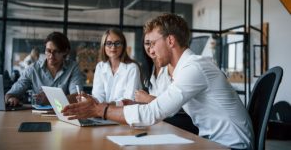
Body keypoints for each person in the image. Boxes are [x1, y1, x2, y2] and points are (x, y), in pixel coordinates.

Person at [62, 14, 254, 150]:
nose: (150, 50)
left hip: (231, 146)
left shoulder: (194, 67)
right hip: (213, 142)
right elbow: (167, 107)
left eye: (153, 43)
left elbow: (153, 113)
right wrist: (135, 104)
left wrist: (98, 109)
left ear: (170, 40)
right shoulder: (183, 70)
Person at [5, 31, 85, 106]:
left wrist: (51, 99)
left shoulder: (72, 68)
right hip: (37, 116)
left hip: (65, 114)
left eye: (56, 51)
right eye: (48, 51)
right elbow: (11, 93)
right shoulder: (33, 69)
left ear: (65, 52)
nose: (51, 56)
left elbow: (77, 97)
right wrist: (11, 98)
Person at [91, 28, 142, 104]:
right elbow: (98, 95)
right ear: (103, 46)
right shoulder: (100, 67)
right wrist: (90, 100)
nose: (113, 47)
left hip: (125, 114)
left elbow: (129, 100)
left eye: (117, 43)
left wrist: (108, 105)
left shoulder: (132, 68)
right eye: (109, 43)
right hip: (103, 113)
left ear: (123, 46)